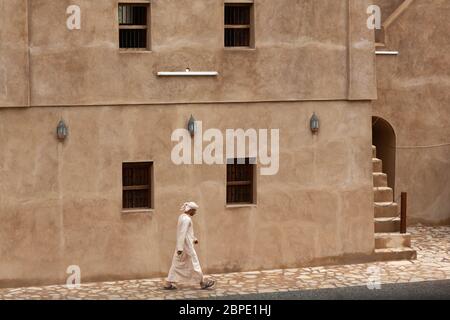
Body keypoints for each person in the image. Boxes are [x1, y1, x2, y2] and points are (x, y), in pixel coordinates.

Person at [164, 202, 215, 290]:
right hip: (186, 246)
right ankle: (202, 283)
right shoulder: (187, 219)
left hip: (184, 245)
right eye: (194, 211)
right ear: (190, 210)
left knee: (177, 264)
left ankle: (168, 283)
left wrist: (194, 239)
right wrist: (180, 247)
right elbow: (182, 233)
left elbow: (187, 232)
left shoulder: (182, 217)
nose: (195, 213)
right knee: (195, 263)